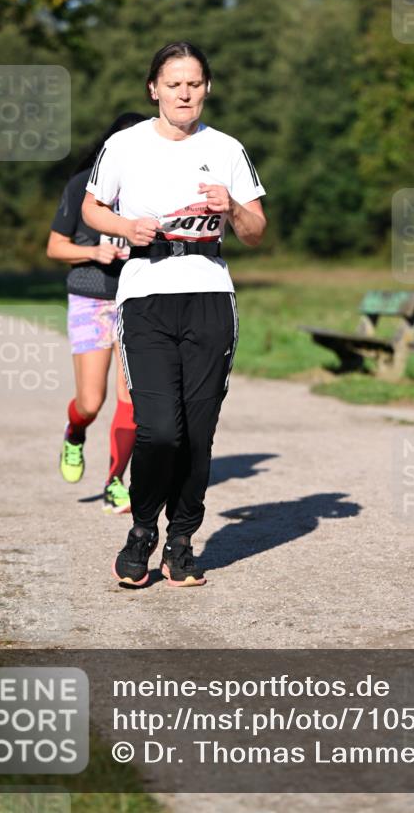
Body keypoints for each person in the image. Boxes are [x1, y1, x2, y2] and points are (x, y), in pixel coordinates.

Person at [82, 41, 267, 587]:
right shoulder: (124, 145)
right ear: (154, 89)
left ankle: (182, 540)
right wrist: (123, 228)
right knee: (160, 430)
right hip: (145, 295)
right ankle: (142, 531)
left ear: (206, 88)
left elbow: (256, 231)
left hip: (210, 294)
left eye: (194, 83)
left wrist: (230, 207)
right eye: (174, 83)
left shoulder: (228, 149)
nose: (184, 93)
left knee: (199, 432)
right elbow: (93, 205)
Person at [47, 112, 146, 513]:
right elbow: (55, 247)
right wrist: (93, 252)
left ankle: (115, 481)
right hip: (90, 295)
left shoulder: (150, 189)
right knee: (91, 401)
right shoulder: (80, 186)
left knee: (133, 397)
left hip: (137, 297)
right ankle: (75, 433)